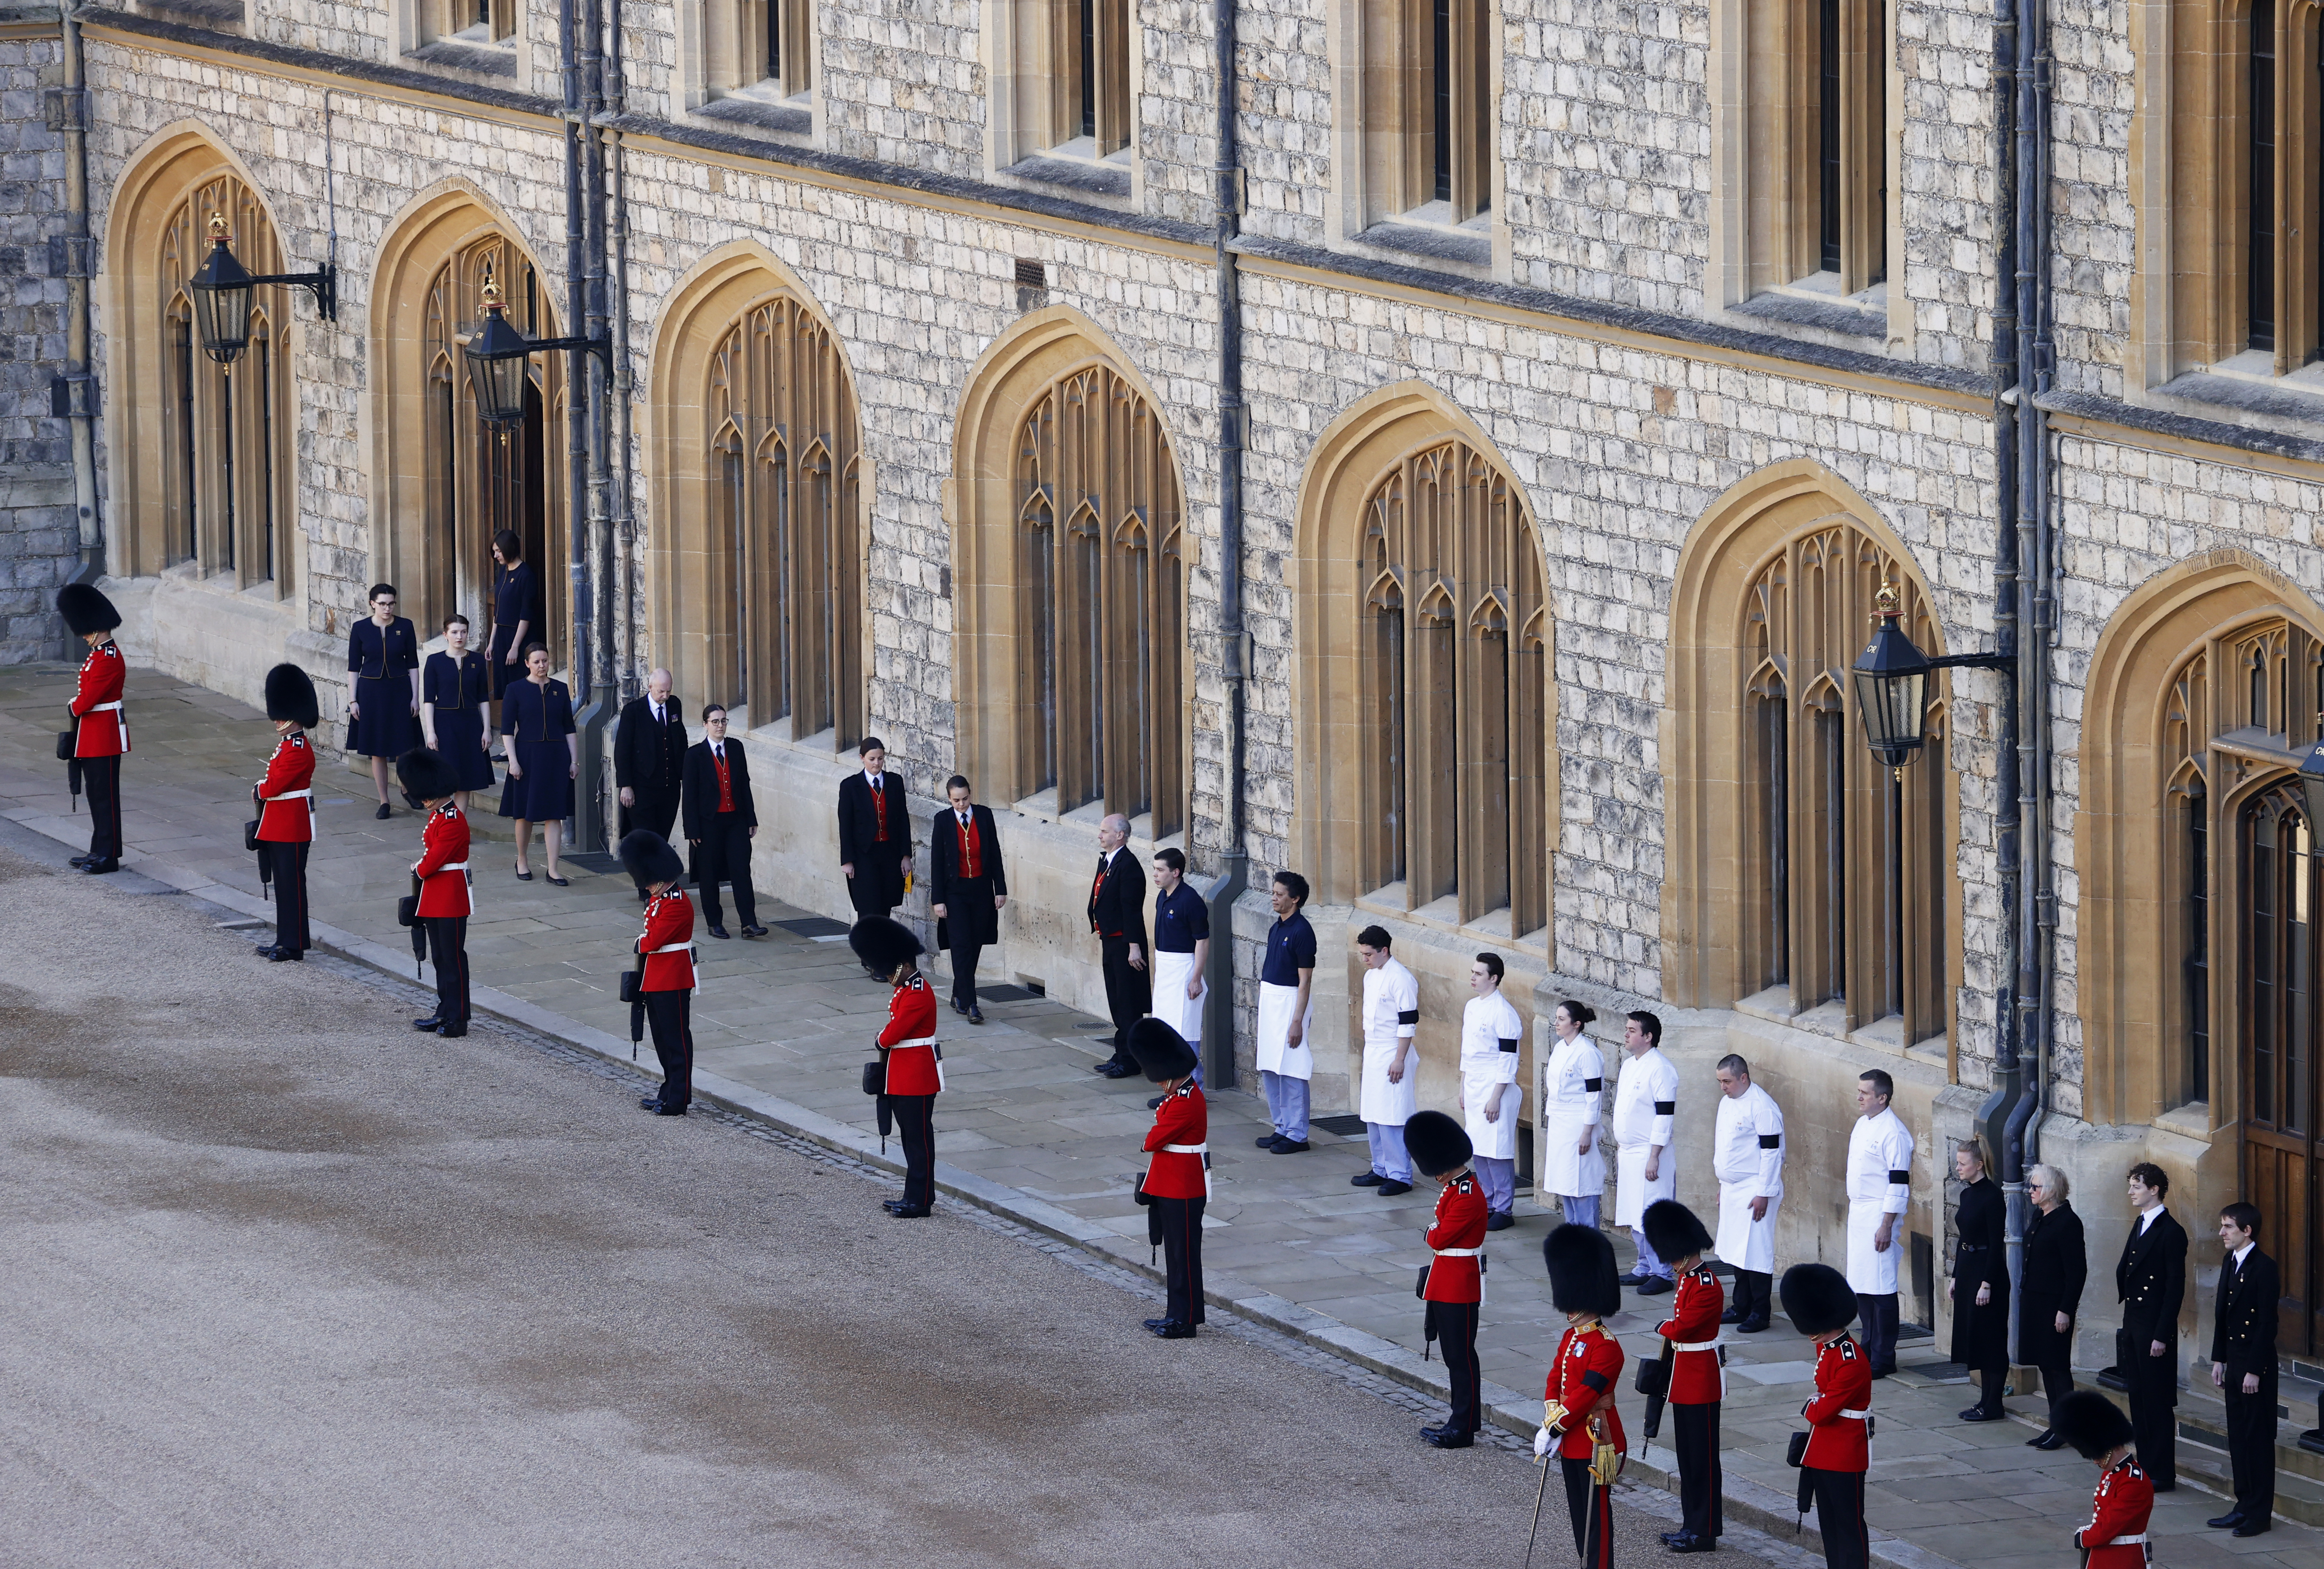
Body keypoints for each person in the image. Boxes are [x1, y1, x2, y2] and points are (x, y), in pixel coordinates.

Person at [1533, 1223, 1626, 1569]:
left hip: (1595, 1437)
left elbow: (1587, 1391)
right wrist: (1551, 1416)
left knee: (1595, 1514)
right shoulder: (1571, 1337)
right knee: (1578, 1511)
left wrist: (1555, 1427)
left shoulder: (1606, 1346)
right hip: (1571, 1434)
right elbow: (1555, 1377)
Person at [1643, 1200, 1723, 1553]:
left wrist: (1664, 1326)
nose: (1670, 1263)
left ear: (1686, 1252)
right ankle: (1691, 1524)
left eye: (1673, 1256)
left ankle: (1704, 1531)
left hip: (1701, 1380)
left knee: (1702, 1460)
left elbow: (1683, 1327)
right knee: (1688, 1459)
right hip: (1684, 1378)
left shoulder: (1705, 1284)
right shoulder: (1688, 1278)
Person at [1783, 1263, 1872, 1569]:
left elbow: (1820, 1411)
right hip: (1822, 1450)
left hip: (1844, 1453)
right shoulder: (1827, 1348)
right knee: (1830, 1526)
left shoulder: (1851, 1360)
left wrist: (1811, 1403)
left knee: (1848, 1527)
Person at [853, 916, 941, 1216]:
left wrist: (880, 1038)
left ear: (901, 964)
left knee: (918, 1141)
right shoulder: (907, 988)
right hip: (903, 1074)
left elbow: (893, 1034)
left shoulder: (916, 993)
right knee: (910, 1139)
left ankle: (921, 1200)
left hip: (916, 1075)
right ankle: (913, 1195)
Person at [1411, 1108, 1486, 1448]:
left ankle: (1463, 1426)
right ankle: (1459, 1419)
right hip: (1444, 1279)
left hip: (1459, 1284)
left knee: (1461, 1356)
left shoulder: (1469, 1195)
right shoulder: (1455, 1187)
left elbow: (1438, 1237)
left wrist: (1431, 1231)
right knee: (1453, 1355)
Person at [1132, 1016, 1207, 1340]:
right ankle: (1174, 1313)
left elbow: (1152, 1140)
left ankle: (1186, 1320)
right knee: (1174, 1256)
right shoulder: (1178, 1096)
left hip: (1184, 1188)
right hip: (1170, 1185)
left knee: (1184, 1256)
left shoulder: (1185, 1103)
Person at [2115, 1161, 2186, 1490]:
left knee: (2156, 1402)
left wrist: (2161, 1334)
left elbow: (2174, 1289)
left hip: (2154, 1329)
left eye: (2136, 1186)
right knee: (2138, 1397)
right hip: (2134, 1323)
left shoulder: (2170, 1232)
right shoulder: (2141, 1222)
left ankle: (2162, 1472)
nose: (2130, 1192)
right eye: (2131, 1185)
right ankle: (2145, 1464)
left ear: (2154, 1189)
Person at [2208, 1200, 2278, 1535]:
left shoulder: (2264, 1268)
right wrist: (2218, 1358)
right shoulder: (2229, 1260)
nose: (2222, 1232)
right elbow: (2222, 1313)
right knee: (2237, 1436)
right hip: (2233, 1361)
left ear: (2246, 1230)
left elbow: (2267, 1323)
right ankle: (2242, 1503)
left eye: (2228, 1227)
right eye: (2222, 1226)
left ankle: (2259, 1515)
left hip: (2254, 1365)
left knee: (2257, 1439)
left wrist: (2254, 1369)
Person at [621, 829, 697, 1116]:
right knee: (663, 1041)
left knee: (676, 1040)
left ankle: (679, 1099)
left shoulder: (676, 903)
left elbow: (652, 941)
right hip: (656, 977)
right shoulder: (660, 898)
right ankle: (669, 1090)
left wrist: (639, 942)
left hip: (673, 978)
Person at [1844, 1068, 1914, 1376]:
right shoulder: (1862, 1124)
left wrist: (1886, 1223)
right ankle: (1868, 1343)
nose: (1859, 1096)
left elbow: (1898, 1183)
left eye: (1865, 1092)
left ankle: (1883, 1356)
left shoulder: (1894, 1132)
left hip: (1879, 1212)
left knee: (1882, 1287)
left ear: (1882, 1097)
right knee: (1862, 1285)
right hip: (1858, 1213)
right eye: (1858, 1090)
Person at [402, 747, 472, 1037]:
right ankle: (445, 1010)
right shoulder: (439, 815)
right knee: (440, 958)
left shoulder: (454, 820)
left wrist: (418, 868)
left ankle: (458, 1018)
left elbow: (436, 859)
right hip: (435, 896)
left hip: (451, 897)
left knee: (453, 958)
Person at [1712, 1054, 1784, 1331]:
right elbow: (1726, 1147)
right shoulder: (1726, 1103)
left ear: (1743, 1077)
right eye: (1720, 1082)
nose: (1723, 1087)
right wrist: (1722, 1183)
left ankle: (1760, 1312)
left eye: (1727, 1081)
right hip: (1732, 1188)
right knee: (1735, 1250)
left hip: (1755, 1187)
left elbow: (1772, 1153)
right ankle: (1740, 1305)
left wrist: (1764, 1193)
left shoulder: (1762, 1107)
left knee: (1756, 1251)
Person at [58, 583, 127, 874]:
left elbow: (88, 700)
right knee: (95, 795)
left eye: (87, 630)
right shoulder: (98, 655)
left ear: (97, 628)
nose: (84, 635)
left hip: (104, 736)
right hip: (92, 735)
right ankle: (98, 848)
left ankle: (108, 855)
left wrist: (74, 706)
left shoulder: (109, 659)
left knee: (105, 796)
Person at [252, 663, 319, 961]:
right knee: (284, 888)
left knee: (291, 888)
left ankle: (293, 945)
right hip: (281, 825)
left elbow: (276, 785)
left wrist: (259, 789)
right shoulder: (288, 745)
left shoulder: (297, 749)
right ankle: (286, 939)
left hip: (291, 826)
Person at [2019, 1162, 2087, 1450]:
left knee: (2058, 1367)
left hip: (2054, 1305)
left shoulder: (2068, 1222)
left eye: (2037, 1186)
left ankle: (2067, 1428)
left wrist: (2066, 1309)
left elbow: (2077, 1272)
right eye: (2030, 1185)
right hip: (2035, 1301)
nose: (2031, 1191)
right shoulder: (2040, 1215)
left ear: (2053, 1190)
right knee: (2046, 1366)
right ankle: (2055, 1424)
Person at [930, 774, 1007, 1024]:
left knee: (975, 944)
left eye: (964, 799)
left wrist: (1000, 888)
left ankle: (958, 993)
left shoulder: (984, 816)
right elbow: (937, 863)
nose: (961, 805)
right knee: (961, 945)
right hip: (955, 892)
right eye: (956, 801)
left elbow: (994, 853)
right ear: (949, 799)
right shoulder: (942, 821)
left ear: (970, 795)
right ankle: (971, 1003)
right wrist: (938, 899)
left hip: (982, 890)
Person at [682, 705, 764, 941]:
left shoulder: (736, 748)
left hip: (736, 820)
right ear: (705, 724)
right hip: (709, 823)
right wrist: (692, 830)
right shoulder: (694, 755)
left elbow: (744, 785)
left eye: (724, 721)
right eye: (715, 722)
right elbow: (689, 796)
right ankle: (714, 923)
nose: (720, 726)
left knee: (741, 871)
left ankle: (749, 923)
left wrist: (751, 817)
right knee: (709, 874)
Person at [498, 644, 578, 885]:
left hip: (556, 757)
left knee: (555, 814)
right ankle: (522, 859)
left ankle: (553, 868)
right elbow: (506, 730)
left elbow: (569, 728)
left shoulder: (561, 690)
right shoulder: (515, 690)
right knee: (524, 814)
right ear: (527, 664)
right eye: (537, 662)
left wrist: (574, 761)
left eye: (545, 661)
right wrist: (513, 761)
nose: (542, 666)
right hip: (527, 756)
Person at [1614, 1010, 1680, 1292]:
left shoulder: (1661, 1068)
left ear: (1648, 1036)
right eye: (1627, 1029)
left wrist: (1655, 1155)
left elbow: (1664, 1115)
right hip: (1628, 1152)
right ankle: (1644, 1266)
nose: (1626, 1034)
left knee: (1652, 1213)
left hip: (1650, 1153)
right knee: (1633, 1211)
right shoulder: (1630, 1065)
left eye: (1632, 1030)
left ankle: (1663, 1272)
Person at [344, 584, 421, 820]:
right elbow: (353, 667)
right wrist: (353, 700)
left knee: (404, 746)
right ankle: (384, 800)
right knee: (377, 749)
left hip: (399, 690)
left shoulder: (405, 626)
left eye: (391, 604)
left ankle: (406, 787)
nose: (388, 608)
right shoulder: (360, 629)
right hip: (371, 693)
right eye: (383, 604)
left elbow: (413, 665)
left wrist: (416, 697)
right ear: (372, 604)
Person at [1353, 926, 1419, 1197]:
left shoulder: (1401, 979)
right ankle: (1380, 1167)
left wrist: (1400, 1059)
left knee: (1393, 1115)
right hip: (1374, 1050)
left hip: (1393, 1051)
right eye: (1362, 954)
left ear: (1384, 951)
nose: (1365, 959)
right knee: (1373, 1114)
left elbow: (1408, 1022)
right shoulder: (1371, 976)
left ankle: (1400, 1175)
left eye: (1369, 954)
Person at [1253, 870, 1317, 1151]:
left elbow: (1305, 982)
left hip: (1290, 1001)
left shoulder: (1302, 931)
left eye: (1280, 895)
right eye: (1274, 893)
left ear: (1296, 899)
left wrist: (1297, 1022)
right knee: (1270, 1065)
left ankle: (1297, 1133)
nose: (1274, 898)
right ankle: (1281, 1125)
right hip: (1271, 1001)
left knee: (1292, 1068)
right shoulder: (1277, 926)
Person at [1460, 951, 1525, 1228]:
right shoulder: (1472, 1007)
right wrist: (1463, 1086)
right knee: (1478, 1148)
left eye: (1479, 974)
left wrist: (1496, 1097)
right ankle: (1486, 1202)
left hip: (1496, 1086)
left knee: (1497, 1150)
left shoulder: (1504, 1013)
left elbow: (1508, 1059)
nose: (1473, 978)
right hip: (1474, 1083)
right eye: (1472, 972)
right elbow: (1467, 1051)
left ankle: (1504, 1208)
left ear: (1494, 978)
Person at [2056, 1391, 2153, 1569]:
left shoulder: (2133, 1482)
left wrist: (2083, 1538)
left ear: (2114, 1446)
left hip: (2123, 1559)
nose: (2095, 1460)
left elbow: (2108, 1528)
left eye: (2099, 1454)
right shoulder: (2112, 1473)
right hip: (2103, 1555)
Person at [1947, 1139, 2009, 1419]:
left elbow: (1997, 1244)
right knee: (1977, 1338)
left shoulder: (1993, 1196)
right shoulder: (1968, 1194)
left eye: (1963, 1163)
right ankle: (1984, 1400)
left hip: (1987, 1272)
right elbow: (1965, 1239)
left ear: (1979, 1165)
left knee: (1991, 1339)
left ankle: (1994, 1404)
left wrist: (1987, 1283)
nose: (1958, 1168)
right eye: (1958, 1162)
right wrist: (1956, 1277)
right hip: (1969, 1269)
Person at [614, 668, 686, 899]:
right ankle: (646, 888)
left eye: (668, 691)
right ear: (650, 687)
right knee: (646, 839)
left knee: (662, 838)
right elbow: (622, 750)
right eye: (661, 691)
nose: (665, 696)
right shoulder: (634, 712)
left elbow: (679, 742)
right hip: (642, 788)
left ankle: (661, 885)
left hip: (669, 787)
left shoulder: (675, 707)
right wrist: (626, 785)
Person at [1088, 813, 1150, 1077]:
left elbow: (1132, 909)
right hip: (1110, 941)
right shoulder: (1109, 861)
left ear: (1120, 835)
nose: (1100, 836)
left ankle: (1132, 1059)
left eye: (1104, 831)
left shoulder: (1129, 865)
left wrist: (1134, 947)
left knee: (1128, 1002)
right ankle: (1121, 1051)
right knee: (1116, 999)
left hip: (1125, 943)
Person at [838, 736, 912, 946]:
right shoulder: (851, 786)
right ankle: (871, 958)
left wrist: (906, 855)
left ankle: (881, 952)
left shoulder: (895, 783)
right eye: (872, 759)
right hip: (864, 856)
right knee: (868, 907)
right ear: (862, 759)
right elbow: (845, 824)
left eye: (880, 758)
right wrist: (847, 860)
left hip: (889, 852)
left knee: (885, 905)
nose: (877, 763)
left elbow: (903, 820)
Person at [1540, 999, 1607, 1228]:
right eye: (1556, 1018)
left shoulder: (1588, 1054)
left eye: (1562, 1019)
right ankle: (1572, 1237)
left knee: (1582, 1183)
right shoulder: (1560, 1048)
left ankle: (1589, 1239)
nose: (1556, 1023)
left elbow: (1594, 1096)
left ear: (1576, 1024)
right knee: (1565, 1183)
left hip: (1579, 1123)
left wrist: (1587, 1131)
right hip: (1560, 1123)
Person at [419, 614, 494, 810]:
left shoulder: (477, 661)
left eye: (463, 632)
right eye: (454, 632)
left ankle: (459, 826)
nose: (459, 636)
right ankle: (442, 825)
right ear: (445, 635)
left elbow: (483, 698)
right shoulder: (435, 661)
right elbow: (429, 699)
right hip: (444, 723)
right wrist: (431, 731)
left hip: (470, 723)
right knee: (443, 776)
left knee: (465, 779)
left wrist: (487, 729)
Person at [1147, 847, 1208, 1086]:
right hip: (1166, 970)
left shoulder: (1190, 901)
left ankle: (1194, 1091)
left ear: (1176, 872)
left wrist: (1196, 978)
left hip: (1184, 969)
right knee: (1165, 1033)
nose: (1155, 874)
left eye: (1160, 870)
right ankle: (1171, 1090)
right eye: (1154, 869)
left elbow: (1202, 941)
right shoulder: (1163, 896)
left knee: (1186, 1034)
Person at [487, 529, 535, 733]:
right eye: (494, 551)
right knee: (507, 692)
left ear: (509, 548)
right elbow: (498, 611)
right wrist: (491, 643)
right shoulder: (504, 572)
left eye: (498, 551)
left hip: (518, 639)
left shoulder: (526, 575)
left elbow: (526, 615)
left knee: (519, 690)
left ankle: (520, 737)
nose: (496, 556)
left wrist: (515, 647)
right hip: (502, 639)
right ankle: (511, 739)